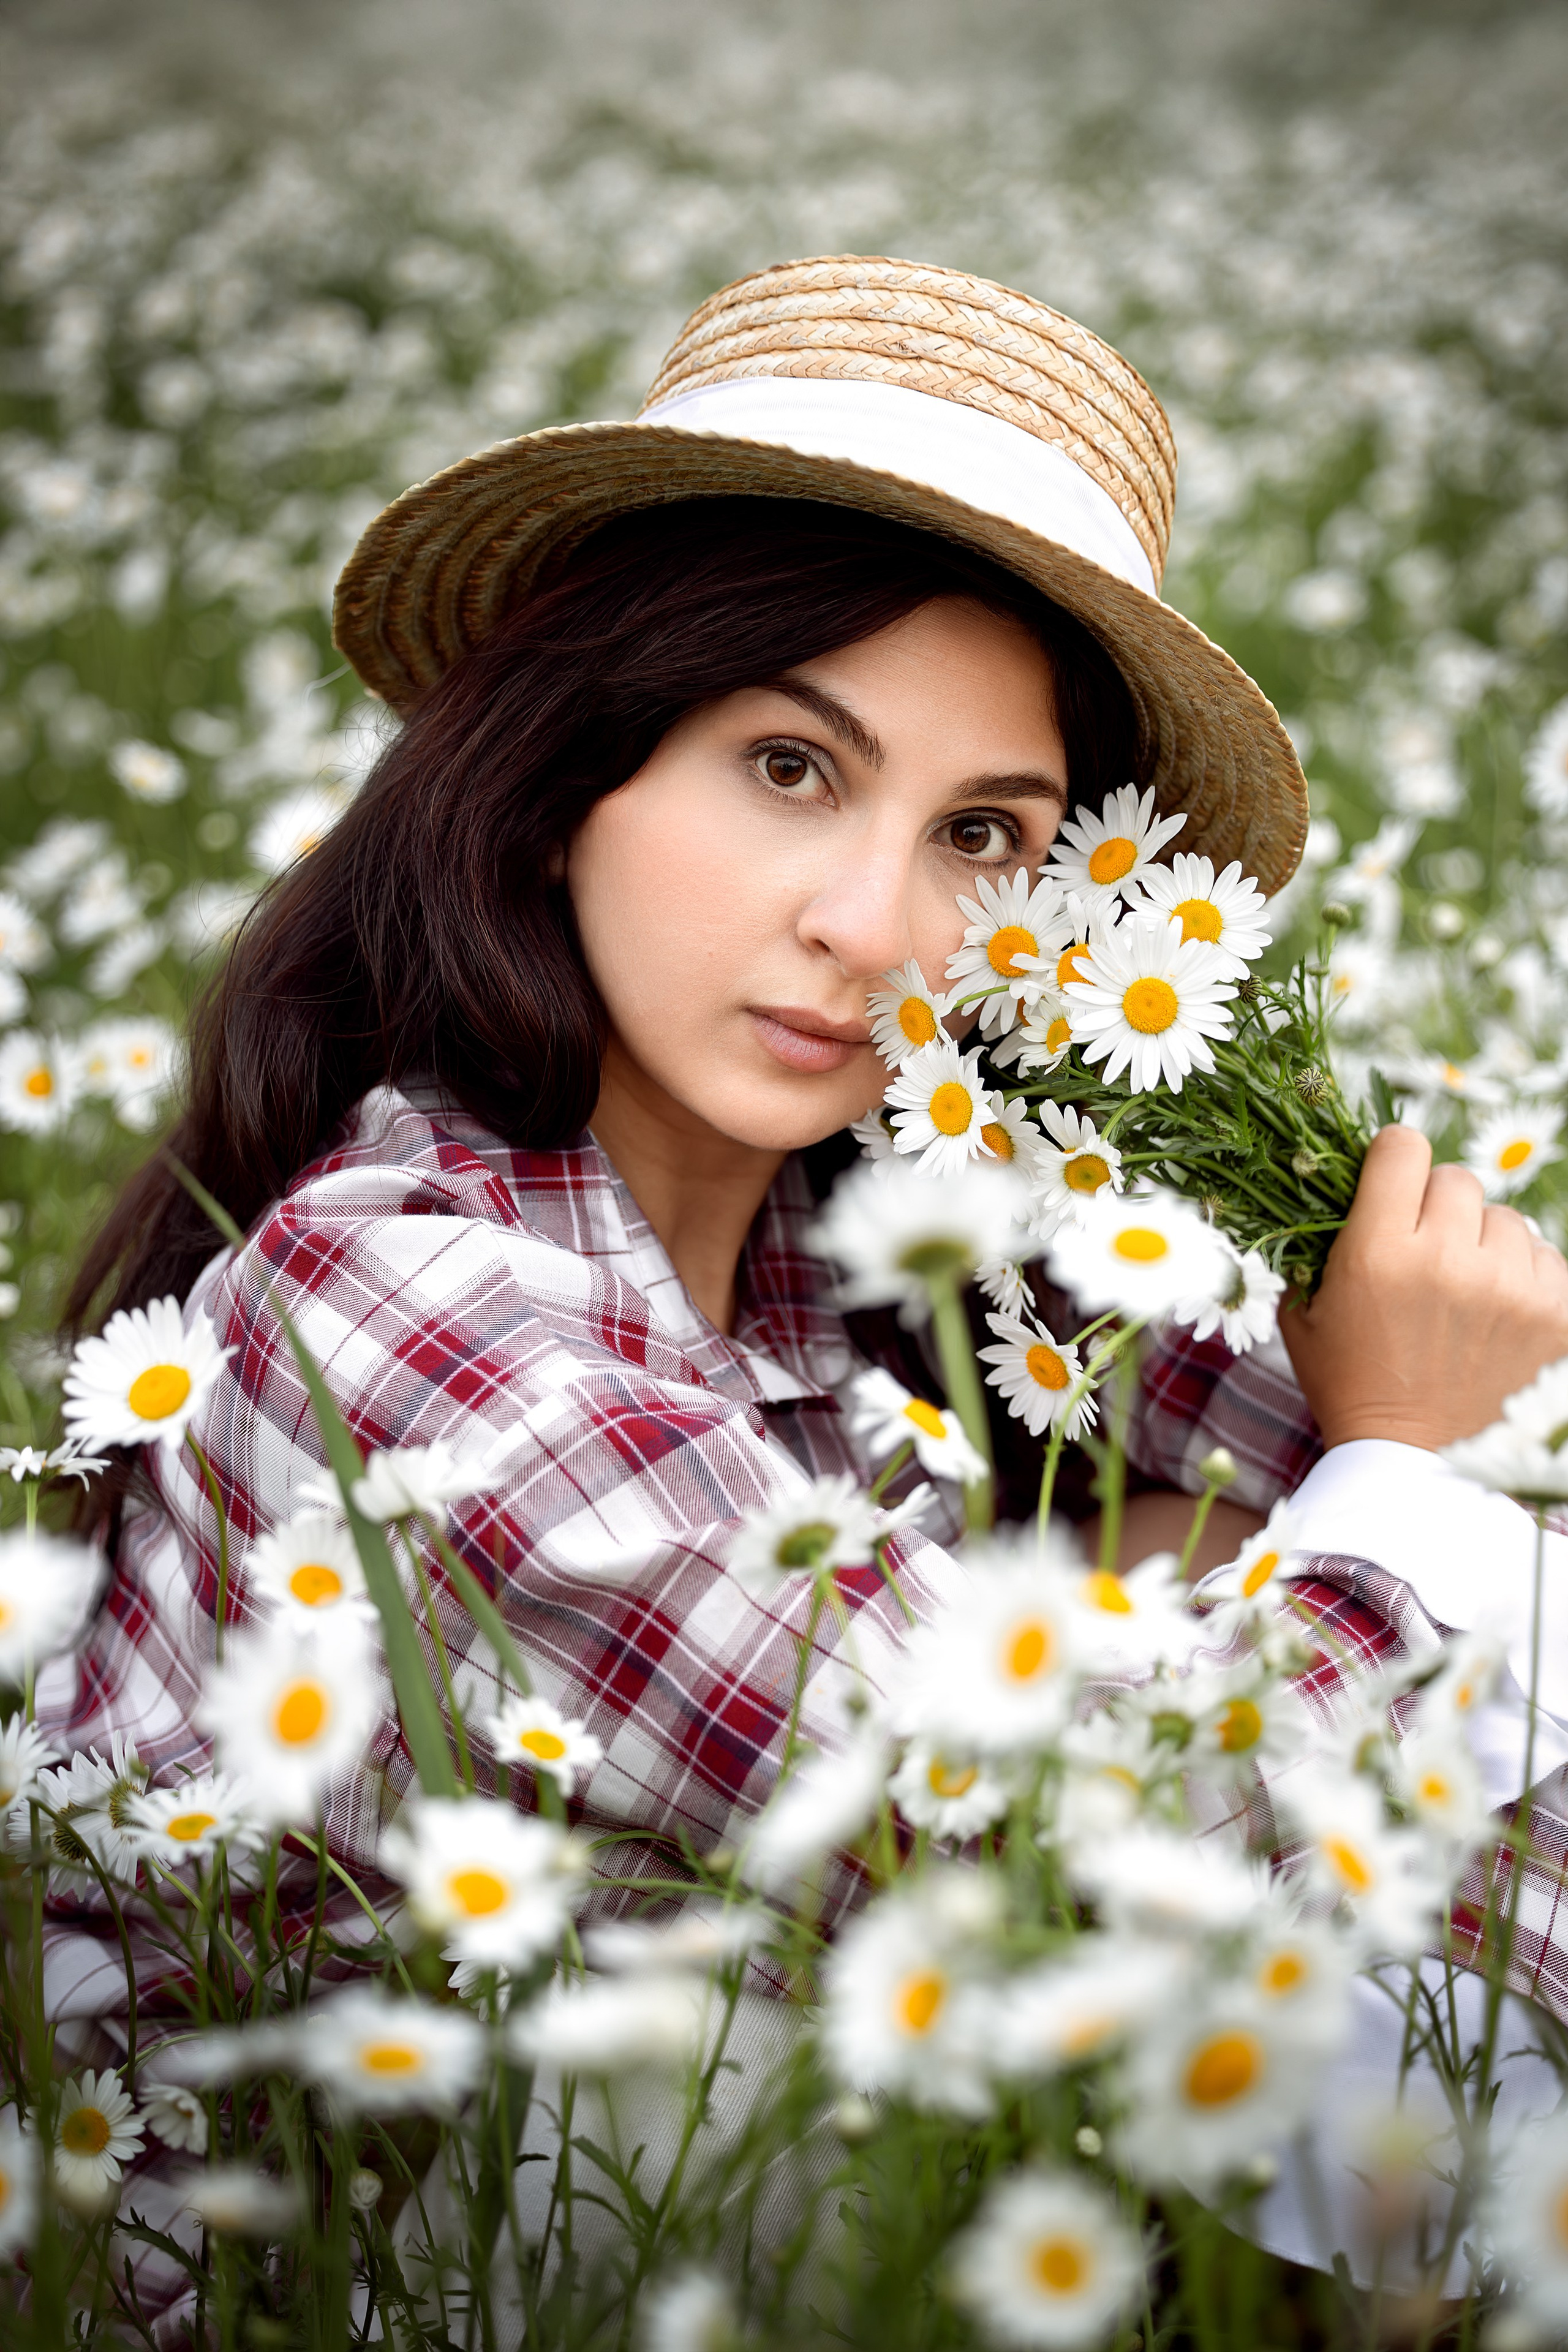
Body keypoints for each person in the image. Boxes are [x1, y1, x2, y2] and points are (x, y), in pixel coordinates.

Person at [42, 255, 1568, 2293]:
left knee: (1233, 1541)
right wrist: (1407, 1472)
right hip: (354, 2285)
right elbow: (1141, 1860)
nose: (878, 927)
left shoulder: (874, 1248)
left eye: (986, 837)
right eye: (790, 766)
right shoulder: (390, 1306)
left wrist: (1379, 1485)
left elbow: (1497, 1523)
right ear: (569, 770)